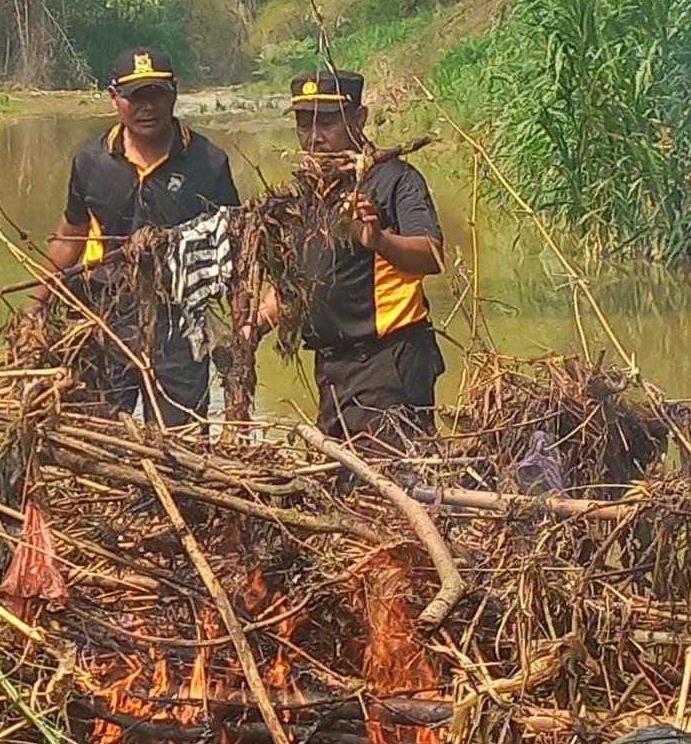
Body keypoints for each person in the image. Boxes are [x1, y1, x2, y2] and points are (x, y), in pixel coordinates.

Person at [32, 47, 239, 427]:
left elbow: (233, 247)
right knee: (97, 436)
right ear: (114, 99)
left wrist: (244, 323)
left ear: (174, 93)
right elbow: (71, 235)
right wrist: (38, 304)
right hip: (105, 318)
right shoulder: (91, 160)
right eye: (135, 96)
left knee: (180, 441)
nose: (148, 107)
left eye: (157, 94)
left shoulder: (208, 163)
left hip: (179, 324)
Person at [253, 70, 445, 448]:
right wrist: (254, 326)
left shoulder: (394, 181)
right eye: (303, 124)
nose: (314, 137)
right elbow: (296, 285)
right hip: (332, 368)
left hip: (388, 363)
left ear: (360, 118)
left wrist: (378, 240)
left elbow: (432, 254)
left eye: (326, 122)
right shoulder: (307, 192)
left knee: (390, 481)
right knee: (346, 485)